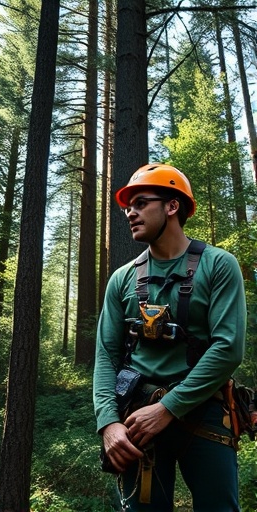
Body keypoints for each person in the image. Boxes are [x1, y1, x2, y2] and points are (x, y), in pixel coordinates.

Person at [93, 163, 246, 512]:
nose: (130, 212)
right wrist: (108, 423)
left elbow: (228, 348)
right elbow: (106, 355)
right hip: (136, 418)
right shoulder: (122, 279)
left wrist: (168, 408)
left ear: (172, 206)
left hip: (205, 411)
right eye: (127, 207)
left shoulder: (218, 265)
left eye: (141, 202)